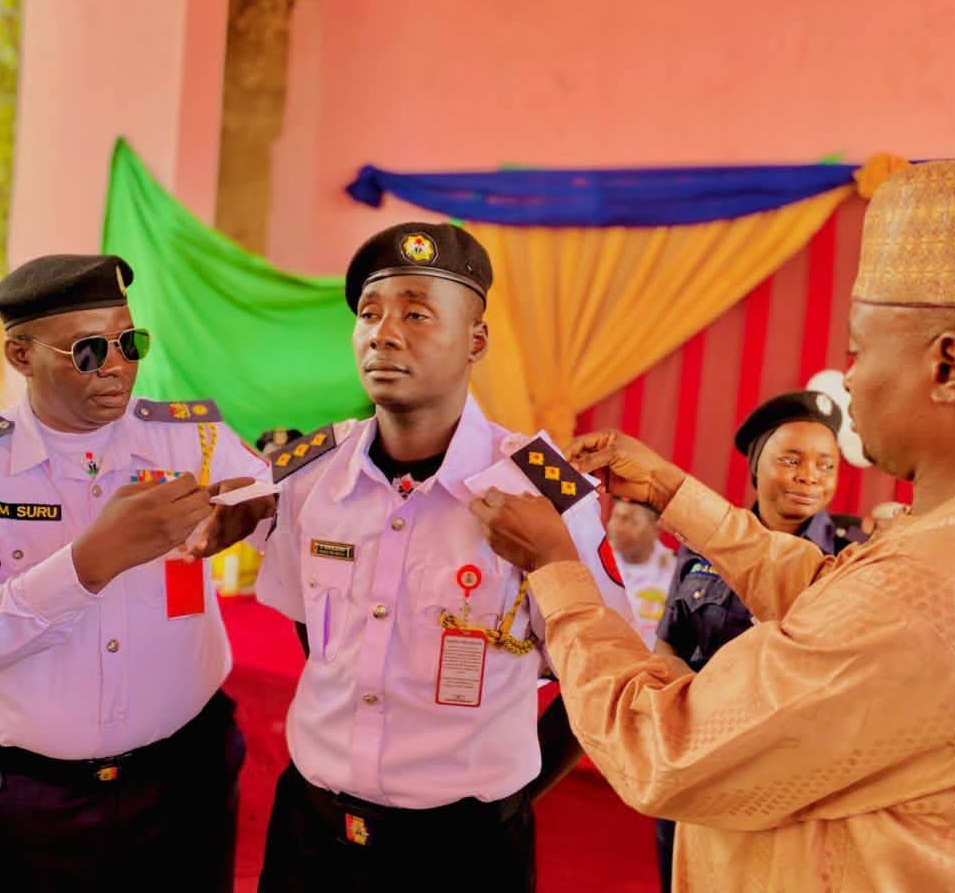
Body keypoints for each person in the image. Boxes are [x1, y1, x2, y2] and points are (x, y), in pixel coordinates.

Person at [468, 159, 955, 891]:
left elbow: (662, 748)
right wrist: (671, 491)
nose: (848, 376)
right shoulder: (925, 544)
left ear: (946, 364)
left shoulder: (916, 591)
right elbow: (823, 591)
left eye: (858, 349)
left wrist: (555, 570)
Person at [253, 222, 636, 892]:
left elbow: (599, 676)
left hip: (465, 851)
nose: (383, 333)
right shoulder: (310, 478)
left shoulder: (541, 492)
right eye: (368, 313)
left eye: (416, 314)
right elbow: (314, 631)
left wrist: (507, 798)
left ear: (475, 341)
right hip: (312, 834)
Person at [0, 254, 276, 892]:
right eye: (89, 351)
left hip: (185, 778)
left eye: (131, 343)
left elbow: (285, 514)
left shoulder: (192, 440)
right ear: (20, 355)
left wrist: (256, 513)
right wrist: (86, 565)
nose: (118, 366)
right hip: (35, 798)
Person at [651, 389, 866, 891]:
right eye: (791, 460)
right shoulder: (704, 543)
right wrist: (692, 718)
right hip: (703, 760)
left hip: (796, 776)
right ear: (756, 466)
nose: (809, 476)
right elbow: (669, 645)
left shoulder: (855, 552)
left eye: (826, 465)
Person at [605, 496, 676, 649]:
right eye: (615, 517)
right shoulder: (599, 563)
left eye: (628, 520)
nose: (617, 527)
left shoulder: (676, 571)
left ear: (655, 527)